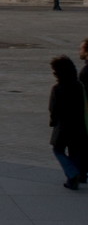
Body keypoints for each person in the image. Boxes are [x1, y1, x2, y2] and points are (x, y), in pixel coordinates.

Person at [48, 55, 88, 190]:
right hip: (79, 125)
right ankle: (77, 177)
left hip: (63, 126)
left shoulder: (57, 89)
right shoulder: (79, 86)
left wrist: (53, 121)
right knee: (75, 151)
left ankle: (72, 174)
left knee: (58, 149)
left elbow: (53, 108)